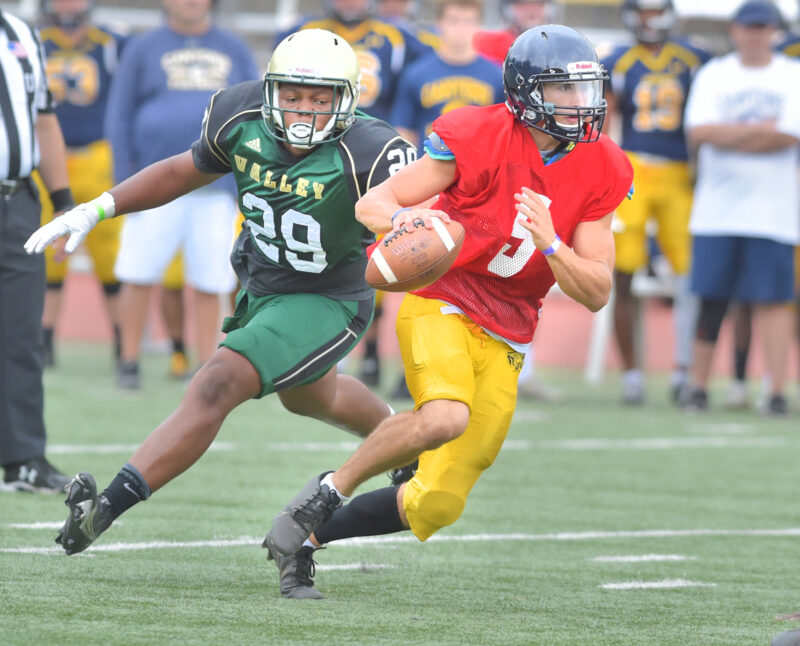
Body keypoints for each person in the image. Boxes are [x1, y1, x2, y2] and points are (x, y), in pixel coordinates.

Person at [261, 24, 634, 599]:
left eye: (584, 88)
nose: (578, 102)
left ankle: (305, 539)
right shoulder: (478, 133)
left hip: (510, 329)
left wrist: (553, 244)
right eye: (563, 88)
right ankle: (326, 492)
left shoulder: (603, 164)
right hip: (445, 297)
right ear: (526, 91)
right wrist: (410, 221)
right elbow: (375, 202)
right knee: (444, 418)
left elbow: (598, 290)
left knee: (436, 503)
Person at [25, 28, 417, 555]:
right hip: (262, 281)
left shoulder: (375, 151)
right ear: (270, 89)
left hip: (329, 296)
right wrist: (97, 208)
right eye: (292, 95)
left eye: (319, 99)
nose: (303, 110)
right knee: (311, 396)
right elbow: (180, 172)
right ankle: (404, 442)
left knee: (217, 381)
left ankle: (105, 509)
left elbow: (425, 219)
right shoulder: (239, 115)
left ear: (347, 100)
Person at [107, 0, 257, 389]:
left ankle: (205, 365)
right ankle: (128, 361)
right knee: (138, 272)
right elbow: (119, 113)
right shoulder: (142, 47)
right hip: (152, 183)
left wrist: (245, 182)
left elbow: (256, 114)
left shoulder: (234, 47)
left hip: (216, 186)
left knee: (212, 278)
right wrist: (124, 179)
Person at [680, 0, 800, 415]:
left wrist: (732, 134)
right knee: (710, 298)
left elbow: (789, 135)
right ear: (734, 30)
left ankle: (776, 390)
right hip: (717, 210)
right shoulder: (714, 74)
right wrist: (761, 130)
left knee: (774, 301)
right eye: (749, 27)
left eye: (763, 27)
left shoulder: (792, 74)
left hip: (774, 210)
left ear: (774, 31)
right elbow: (700, 131)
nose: (755, 34)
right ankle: (697, 386)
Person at [601, 0, 709, 405]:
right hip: (632, 169)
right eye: (642, 11)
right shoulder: (618, 61)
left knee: (689, 274)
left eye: (654, 10)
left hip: (679, 171)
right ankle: (632, 374)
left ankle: (684, 368)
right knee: (622, 271)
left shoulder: (694, 59)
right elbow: (605, 122)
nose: (649, 20)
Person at [0, 8, 73, 493]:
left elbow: (43, 120)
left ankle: (24, 458)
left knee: (21, 333)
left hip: (17, 201)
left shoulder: (21, 32)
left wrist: (63, 201)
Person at [37, 0, 128, 368]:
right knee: (48, 251)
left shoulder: (110, 43)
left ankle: (124, 343)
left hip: (96, 154)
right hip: (49, 157)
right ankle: (43, 342)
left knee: (110, 254)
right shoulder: (36, 41)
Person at [390, 0, 504, 150]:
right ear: (439, 23)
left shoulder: (497, 76)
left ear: (479, 25)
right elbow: (402, 131)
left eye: (468, 21)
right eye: (454, 21)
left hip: (478, 161)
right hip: (428, 160)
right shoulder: (415, 73)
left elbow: (502, 133)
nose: (461, 29)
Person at [473, 0, 555, 65]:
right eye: (522, 5)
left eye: (538, 4)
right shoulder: (490, 44)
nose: (531, 11)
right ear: (508, 10)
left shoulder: (556, 43)